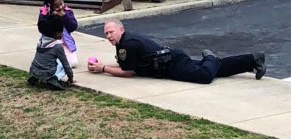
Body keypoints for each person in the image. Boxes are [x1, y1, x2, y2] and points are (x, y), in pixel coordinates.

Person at [87, 19, 267, 84]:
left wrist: (103, 69)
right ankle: (253, 60)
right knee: (218, 69)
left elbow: (127, 72)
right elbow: (125, 65)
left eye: (111, 32)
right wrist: (101, 65)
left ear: (121, 29)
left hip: (172, 64)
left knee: (204, 76)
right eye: (106, 33)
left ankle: (210, 56)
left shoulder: (127, 44)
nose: (108, 35)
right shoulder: (124, 43)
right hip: (169, 62)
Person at [28, 15, 74, 90]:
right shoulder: (57, 46)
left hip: (34, 70)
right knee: (64, 64)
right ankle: (54, 79)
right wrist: (70, 78)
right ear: (58, 33)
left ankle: (34, 77)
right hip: (47, 73)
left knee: (45, 60)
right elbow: (65, 64)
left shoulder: (41, 41)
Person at [39, 0, 79, 68]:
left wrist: (65, 17)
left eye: (61, 4)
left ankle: (59, 60)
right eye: (56, 6)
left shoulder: (67, 11)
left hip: (64, 41)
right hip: (50, 41)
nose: (60, 7)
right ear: (51, 6)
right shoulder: (45, 13)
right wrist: (52, 17)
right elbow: (42, 29)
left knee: (74, 63)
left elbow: (73, 26)